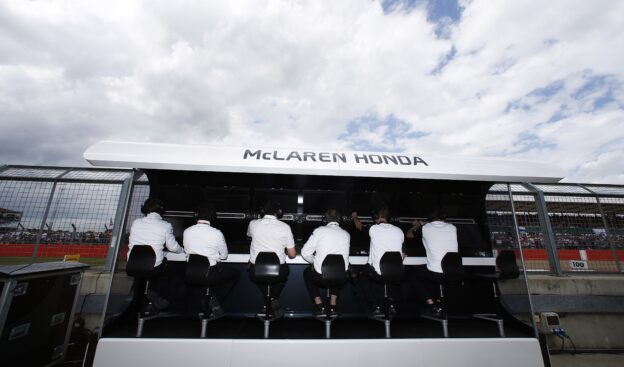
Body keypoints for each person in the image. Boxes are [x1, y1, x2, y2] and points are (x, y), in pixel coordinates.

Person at [183, 202, 240, 315]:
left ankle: (207, 298)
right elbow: (224, 256)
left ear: (196, 216)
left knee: (201, 281)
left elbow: (186, 251)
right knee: (235, 274)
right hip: (210, 274)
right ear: (212, 217)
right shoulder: (216, 233)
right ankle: (214, 300)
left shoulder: (187, 231)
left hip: (190, 274)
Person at [128, 197, 185, 310]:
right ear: (161, 210)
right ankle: (161, 300)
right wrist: (183, 251)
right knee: (176, 270)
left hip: (132, 265)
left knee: (155, 272)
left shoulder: (136, 222)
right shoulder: (165, 225)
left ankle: (149, 296)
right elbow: (173, 247)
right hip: (153, 267)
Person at [352, 206, 405, 316]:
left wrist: (354, 217)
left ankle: (376, 305)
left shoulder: (374, 228)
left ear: (379, 217)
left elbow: (358, 226)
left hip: (378, 274)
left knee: (361, 276)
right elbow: (403, 254)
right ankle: (390, 304)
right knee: (389, 277)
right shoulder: (399, 230)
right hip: (397, 272)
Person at [247, 200, 296, 314]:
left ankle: (267, 301)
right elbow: (292, 255)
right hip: (279, 272)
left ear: (262, 211)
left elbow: (249, 235)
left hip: (256, 271)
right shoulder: (285, 227)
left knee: (260, 278)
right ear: (279, 212)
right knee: (281, 277)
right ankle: (273, 298)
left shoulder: (253, 224)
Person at [408, 210, 458, 317]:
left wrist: (416, 226)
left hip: (437, 273)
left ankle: (432, 305)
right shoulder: (452, 227)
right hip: (454, 271)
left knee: (413, 276)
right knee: (432, 273)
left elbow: (409, 235)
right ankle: (440, 302)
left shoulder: (426, 228)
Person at [301, 208, 350, 316]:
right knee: (337, 271)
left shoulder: (319, 231)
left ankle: (319, 305)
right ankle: (333, 305)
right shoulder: (346, 234)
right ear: (339, 220)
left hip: (320, 277)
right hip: (341, 278)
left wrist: (316, 262)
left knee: (306, 273)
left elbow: (304, 253)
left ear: (325, 220)